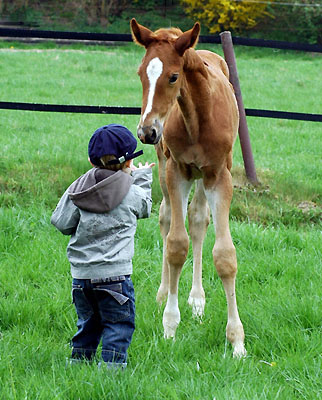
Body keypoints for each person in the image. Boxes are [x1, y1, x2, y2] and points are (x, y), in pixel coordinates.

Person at [51, 123, 155, 369]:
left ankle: (78, 365)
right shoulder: (132, 193)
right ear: (129, 163)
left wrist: (74, 191)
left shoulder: (79, 191)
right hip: (115, 276)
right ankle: (111, 373)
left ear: (90, 160)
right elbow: (146, 207)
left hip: (81, 277)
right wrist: (143, 177)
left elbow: (61, 222)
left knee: (88, 324)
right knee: (118, 326)